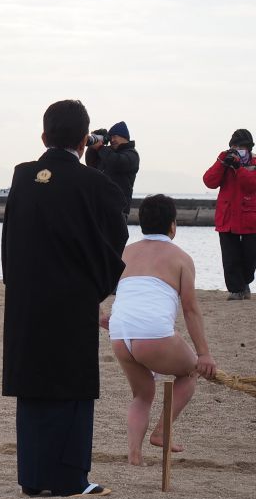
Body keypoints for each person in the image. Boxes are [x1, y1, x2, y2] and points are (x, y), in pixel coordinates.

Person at [2, 99, 128, 498]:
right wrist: (99, 283)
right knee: (71, 386)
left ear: (44, 136)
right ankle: (71, 479)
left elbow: (10, 236)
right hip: (71, 294)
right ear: (82, 138)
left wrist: (16, 281)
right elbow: (115, 234)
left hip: (26, 294)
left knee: (34, 382)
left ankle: (33, 476)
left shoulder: (23, 176)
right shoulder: (93, 182)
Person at [105, 194, 216, 465]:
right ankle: (161, 432)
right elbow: (190, 309)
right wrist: (204, 354)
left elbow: (116, 290)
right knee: (191, 372)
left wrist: (104, 317)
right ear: (173, 225)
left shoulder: (127, 251)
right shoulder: (180, 258)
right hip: (151, 333)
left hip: (119, 333)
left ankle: (134, 456)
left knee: (142, 395)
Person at [203, 128, 256, 301]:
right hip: (227, 217)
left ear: (249, 148)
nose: (239, 149)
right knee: (230, 257)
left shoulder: (254, 162)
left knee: (250, 258)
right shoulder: (224, 159)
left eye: (242, 146)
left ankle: (244, 284)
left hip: (250, 218)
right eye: (235, 146)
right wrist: (222, 163)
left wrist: (239, 168)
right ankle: (236, 290)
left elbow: (251, 185)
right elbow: (209, 181)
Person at [85, 121, 140, 215]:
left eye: (115, 136)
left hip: (118, 210)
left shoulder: (132, 154)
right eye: (110, 137)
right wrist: (93, 146)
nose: (112, 140)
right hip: (100, 206)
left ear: (124, 137)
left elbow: (118, 162)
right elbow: (91, 163)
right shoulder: (108, 153)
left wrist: (100, 148)